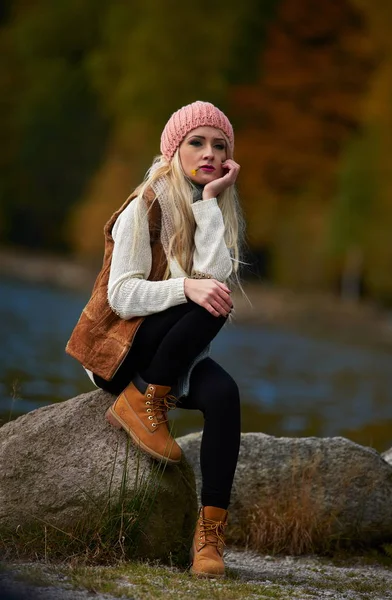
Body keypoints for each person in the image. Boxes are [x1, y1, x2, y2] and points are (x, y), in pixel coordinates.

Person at [66, 100, 246, 578]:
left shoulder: (205, 204)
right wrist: (187, 286)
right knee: (207, 294)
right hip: (122, 351)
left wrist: (210, 202)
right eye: (196, 142)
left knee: (225, 395)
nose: (208, 152)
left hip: (171, 353)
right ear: (173, 149)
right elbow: (122, 295)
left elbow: (215, 276)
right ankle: (143, 401)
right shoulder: (144, 204)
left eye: (219, 145)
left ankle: (209, 541)